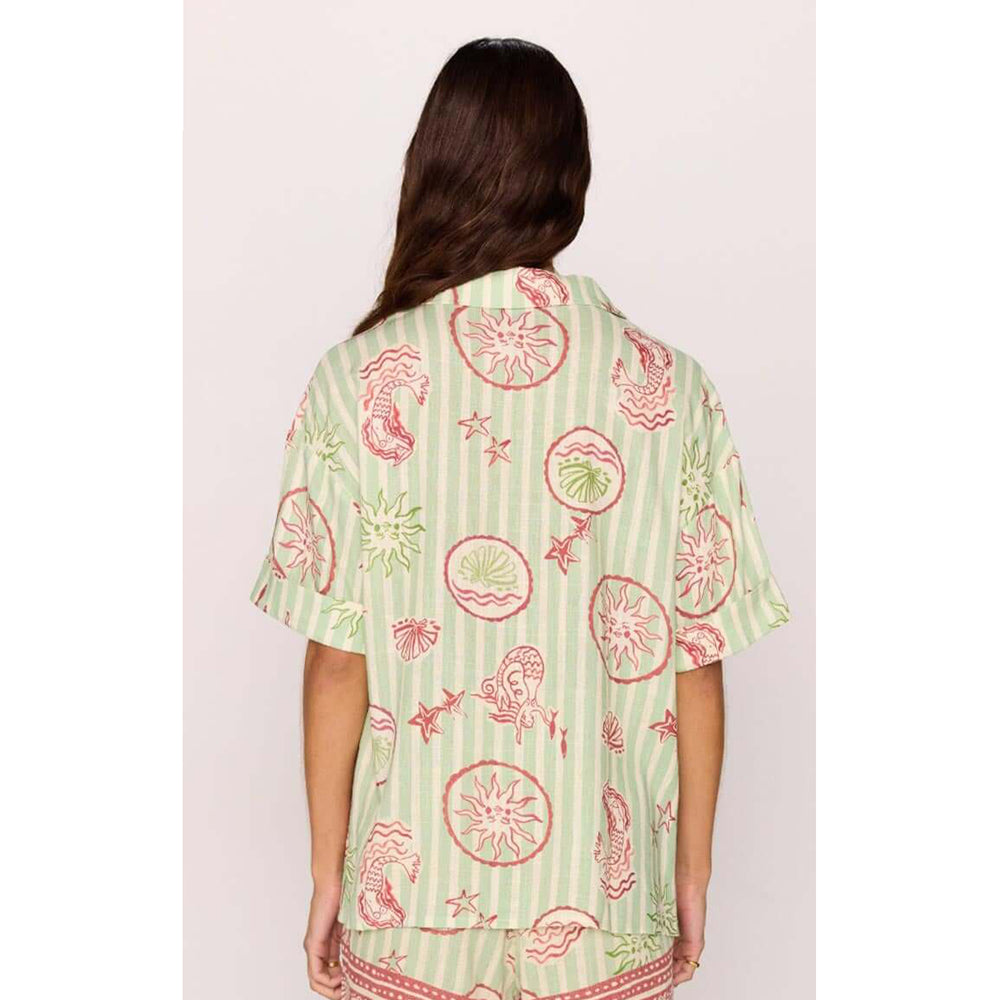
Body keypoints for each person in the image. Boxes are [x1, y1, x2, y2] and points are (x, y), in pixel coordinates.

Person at [250, 37, 790, 1000]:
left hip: (408, 900)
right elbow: (697, 663)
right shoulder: (670, 386)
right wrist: (691, 876)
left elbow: (338, 658)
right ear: (572, 182)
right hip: (605, 901)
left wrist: (331, 874)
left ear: (431, 168)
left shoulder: (359, 378)